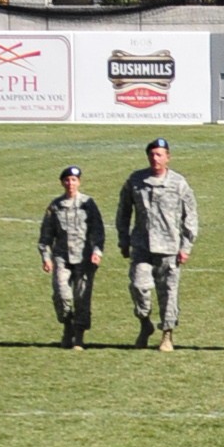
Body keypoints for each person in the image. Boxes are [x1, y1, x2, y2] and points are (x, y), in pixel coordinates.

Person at [117, 137, 198, 351]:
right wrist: (123, 240)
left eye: (159, 154)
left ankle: (167, 335)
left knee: (168, 293)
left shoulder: (178, 183)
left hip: (169, 247)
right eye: (152, 154)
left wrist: (186, 246)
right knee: (138, 286)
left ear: (168, 158)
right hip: (142, 246)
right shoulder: (136, 180)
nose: (155, 158)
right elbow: (123, 212)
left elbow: (190, 217)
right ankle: (145, 323)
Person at [37, 163, 104, 349]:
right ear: (62, 183)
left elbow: (97, 230)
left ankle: (79, 335)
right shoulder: (55, 206)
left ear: (79, 182)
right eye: (67, 180)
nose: (70, 183)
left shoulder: (88, 204)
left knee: (82, 297)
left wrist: (97, 252)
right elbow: (46, 235)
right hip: (62, 257)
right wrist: (46, 257)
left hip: (84, 257)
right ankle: (67, 325)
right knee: (62, 294)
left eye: (74, 180)